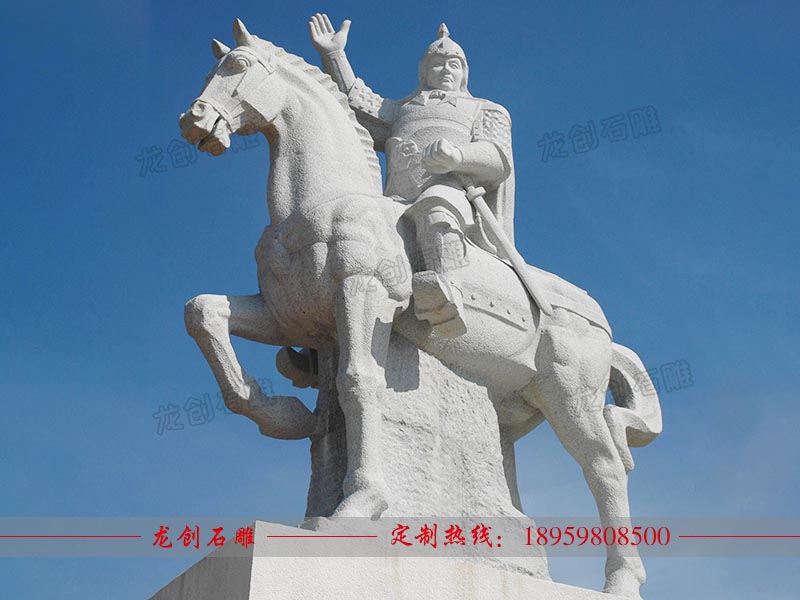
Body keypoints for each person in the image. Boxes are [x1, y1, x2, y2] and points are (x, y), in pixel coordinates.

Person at [309, 14, 516, 338]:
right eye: (437, 64)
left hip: (450, 193)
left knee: (436, 205)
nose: (446, 70)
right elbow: (357, 103)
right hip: (394, 200)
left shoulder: (485, 109)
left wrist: (458, 156)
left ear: (464, 72)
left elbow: (497, 156)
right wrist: (334, 55)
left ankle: (448, 291)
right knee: (349, 233)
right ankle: (323, 335)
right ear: (423, 71)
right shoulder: (403, 110)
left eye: (454, 65)